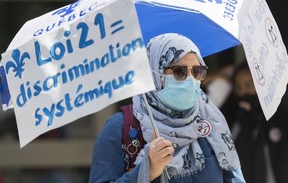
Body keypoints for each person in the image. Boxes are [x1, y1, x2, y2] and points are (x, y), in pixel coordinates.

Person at [88, 33, 245, 183]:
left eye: (197, 71)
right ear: (154, 73)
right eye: (179, 71)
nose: (190, 80)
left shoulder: (211, 122)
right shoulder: (120, 127)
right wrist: (146, 172)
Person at [221, 60, 288, 183]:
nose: (243, 92)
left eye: (249, 85)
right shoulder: (229, 116)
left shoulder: (281, 117)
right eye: (238, 87)